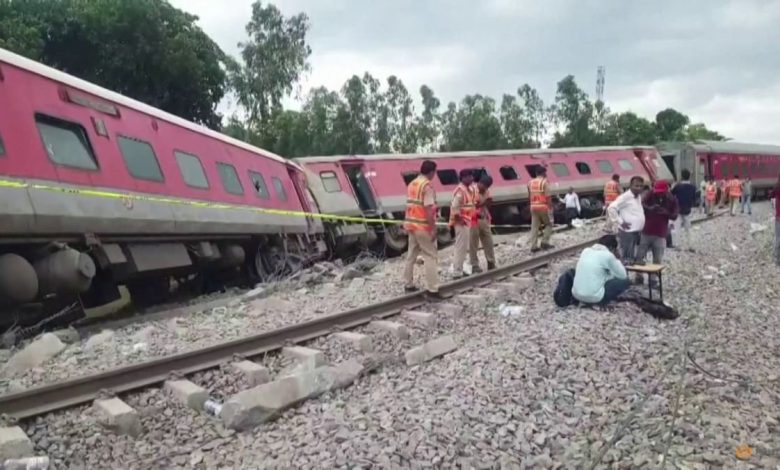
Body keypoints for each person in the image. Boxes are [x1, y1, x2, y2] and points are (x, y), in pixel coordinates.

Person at [403, 160, 444, 299]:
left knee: (411, 255)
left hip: (411, 225)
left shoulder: (411, 184)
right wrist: (432, 229)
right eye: (435, 172)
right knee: (430, 256)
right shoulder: (426, 186)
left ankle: (408, 284)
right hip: (422, 226)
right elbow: (428, 209)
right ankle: (433, 290)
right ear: (432, 172)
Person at [635, 180, 678, 283]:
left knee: (657, 258)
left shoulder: (672, 199)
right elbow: (641, 204)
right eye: (657, 191)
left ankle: (653, 279)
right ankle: (639, 276)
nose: (658, 193)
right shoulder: (650, 194)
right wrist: (650, 208)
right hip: (646, 230)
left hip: (660, 233)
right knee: (640, 256)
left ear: (666, 191)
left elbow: (675, 216)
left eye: (661, 191)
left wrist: (665, 213)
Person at [571, 234, 631, 306]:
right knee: (626, 281)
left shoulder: (586, 251)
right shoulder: (608, 255)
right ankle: (599, 301)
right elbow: (623, 275)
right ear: (612, 248)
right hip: (595, 298)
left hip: (577, 295)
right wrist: (617, 259)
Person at [607, 176, 645, 263]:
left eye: (640, 186)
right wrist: (620, 222)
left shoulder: (638, 196)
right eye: (636, 186)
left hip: (636, 231)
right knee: (626, 258)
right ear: (630, 186)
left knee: (633, 257)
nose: (638, 188)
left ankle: (635, 275)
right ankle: (624, 275)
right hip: (628, 232)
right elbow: (611, 208)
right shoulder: (625, 197)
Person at [449, 169, 477, 277]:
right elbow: (455, 206)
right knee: (461, 246)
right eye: (470, 176)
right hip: (462, 222)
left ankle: (460, 267)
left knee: (463, 246)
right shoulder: (460, 190)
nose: (472, 178)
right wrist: (459, 219)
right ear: (464, 178)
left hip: (466, 221)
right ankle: (457, 271)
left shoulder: (468, 189)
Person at [470, 175, 496, 271]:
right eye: (484, 186)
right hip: (473, 219)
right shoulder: (472, 190)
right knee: (473, 243)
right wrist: (484, 202)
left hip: (484, 218)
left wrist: (488, 202)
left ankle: (491, 262)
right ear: (480, 183)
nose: (485, 188)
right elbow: (474, 205)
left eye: (487, 187)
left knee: (488, 241)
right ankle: (474, 265)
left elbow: (487, 204)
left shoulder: (486, 191)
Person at [528, 167, 554, 252]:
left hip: (533, 206)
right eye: (545, 173)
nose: (546, 174)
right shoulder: (544, 182)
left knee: (534, 227)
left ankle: (533, 246)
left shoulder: (530, 182)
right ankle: (544, 242)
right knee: (549, 224)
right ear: (543, 173)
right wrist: (550, 208)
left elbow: (529, 195)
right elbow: (548, 197)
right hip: (543, 206)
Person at [671, 169, 696, 250]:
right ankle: (691, 245)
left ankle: (677, 245)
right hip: (687, 210)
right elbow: (694, 199)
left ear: (681, 176)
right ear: (689, 177)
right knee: (688, 229)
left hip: (678, 210)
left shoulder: (678, 186)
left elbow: (671, 195)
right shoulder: (693, 187)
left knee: (677, 228)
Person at [771, 174, 780, 266]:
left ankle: (778, 260)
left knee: (778, 237)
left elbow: (771, 195)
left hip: (779, 216)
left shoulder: (777, 187)